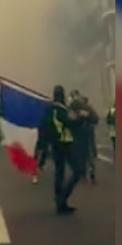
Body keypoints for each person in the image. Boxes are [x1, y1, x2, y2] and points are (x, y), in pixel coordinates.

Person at [45, 85, 86, 214]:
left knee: (59, 172)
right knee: (78, 170)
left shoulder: (50, 109)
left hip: (55, 144)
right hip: (65, 142)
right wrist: (81, 117)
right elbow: (71, 123)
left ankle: (60, 202)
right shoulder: (61, 110)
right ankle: (62, 198)